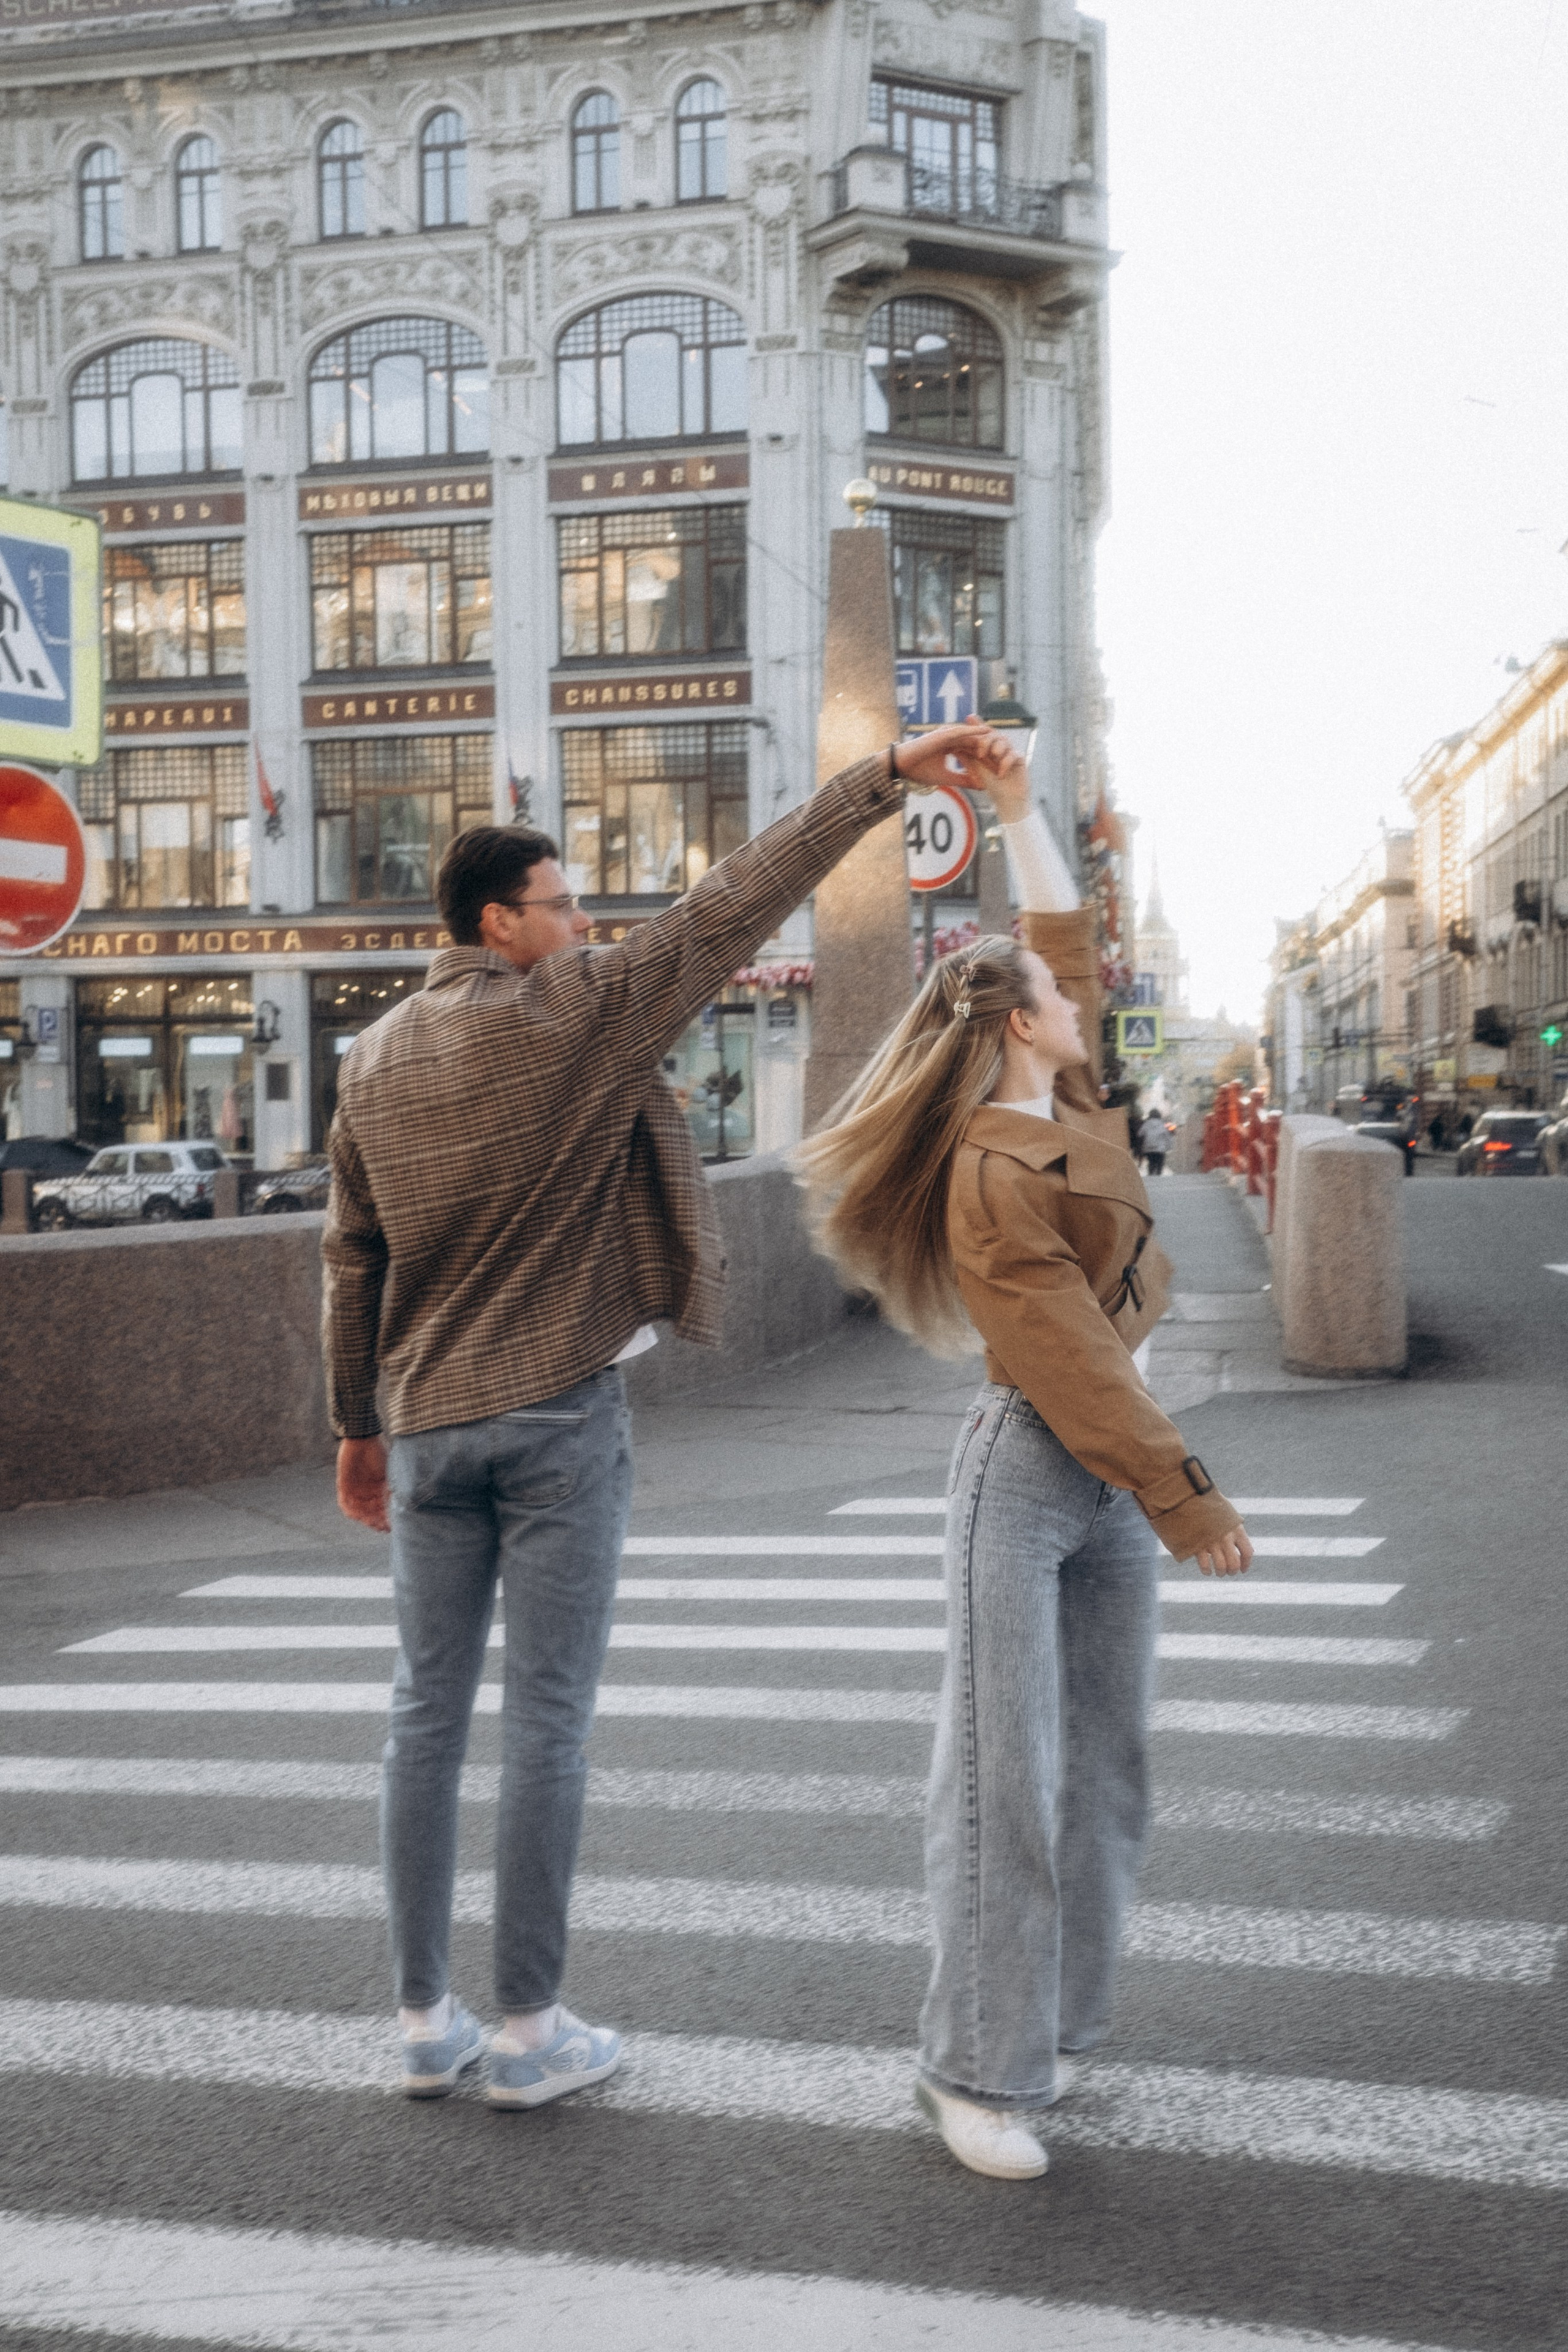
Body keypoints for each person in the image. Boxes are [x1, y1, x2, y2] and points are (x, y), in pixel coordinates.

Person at [322, 722, 993, 2111]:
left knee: (422, 1715)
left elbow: (351, 1257)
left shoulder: (371, 1057)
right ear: (499, 923)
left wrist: (355, 1423)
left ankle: (421, 2017)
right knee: (546, 1720)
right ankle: (528, 2029)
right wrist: (884, 776)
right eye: (562, 903)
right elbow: (740, 896)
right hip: (557, 1419)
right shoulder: (576, 1010)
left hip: (427, 1422)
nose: (584, 923)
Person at [797, 738, 1253, 2183]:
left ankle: (1047, 2023)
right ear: (1013, 1027)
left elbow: (1056, 936)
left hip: (1100, 1472)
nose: (1077, 997)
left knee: (1105, 1769)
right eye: (1057, 997)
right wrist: (1181, 1493)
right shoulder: (992, 1172)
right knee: (1001, 1785)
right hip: (1031, 1470)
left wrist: (1010, 809)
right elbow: (1065, 1356)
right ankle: (970, 2071)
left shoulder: (1063, 1109)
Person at [1139, 1107, 1170, 1177]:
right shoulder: (1162, 1124)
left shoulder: (1146, 1124)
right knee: (1160, 1163)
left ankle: (1151, 1175)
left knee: (1151, 1162)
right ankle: (1159, 1176)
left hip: (1149, 1148)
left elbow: (1140, 1134)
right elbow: (1167, 1136)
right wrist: (1169, 1146)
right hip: (1160, 1148)